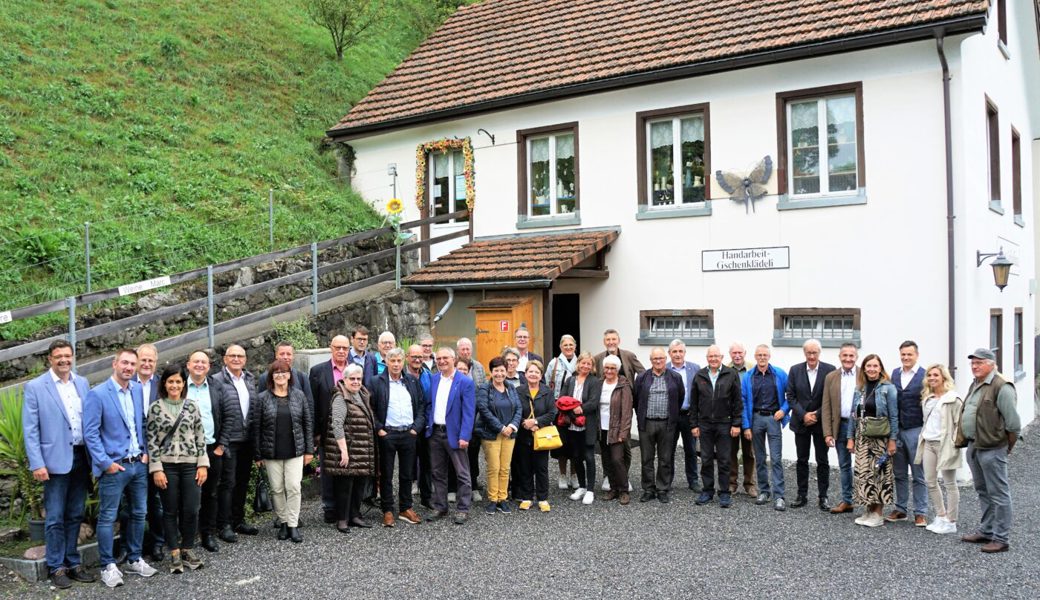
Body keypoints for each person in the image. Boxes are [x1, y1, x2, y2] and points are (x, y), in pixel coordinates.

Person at [22, 340, 96, 589]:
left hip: (80, 457)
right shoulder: (36, 387)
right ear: (49, 359)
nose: (64, 360)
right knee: (55, 517)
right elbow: (30, 429)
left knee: (75, 513)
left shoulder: (82, 383)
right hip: (53, 462)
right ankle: (56, 566)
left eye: (67, 355)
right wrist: (37, 463)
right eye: (58, 356)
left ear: (73, 357)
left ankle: (73, 562)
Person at [83, 349, 157, 588]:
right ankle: (108, 565)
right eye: (124, 362)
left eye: (132, 364)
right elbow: (90, 433)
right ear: (114, 363)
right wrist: (106, 463)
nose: (128, 367)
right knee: (107, 517)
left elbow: (141, 424)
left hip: (138, 465)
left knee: (139, 513)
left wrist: (146, 451)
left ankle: (135, 559)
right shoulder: (98, 394)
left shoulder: (136, 391)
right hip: (115, 467)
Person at [146, 364, 208, 573]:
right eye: (170, 381)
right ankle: (174, 551)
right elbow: (152, 441)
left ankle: (187, 549)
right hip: (167, 466)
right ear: (164, 383)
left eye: (178, 381)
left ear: (184, 384)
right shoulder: (155, 408)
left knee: (191, 509)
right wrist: (156, 469)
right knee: (170, 510)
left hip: (191, 465)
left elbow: (201, 437)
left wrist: (203, 465)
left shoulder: (192, 406)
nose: (174, 385)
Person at [960, 348, 1022, 553]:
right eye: (973, 363)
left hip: (992, 448)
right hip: (974, 445)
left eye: (980, 363)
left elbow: (1013, 424)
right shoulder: (976, 383)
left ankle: (1001, 538)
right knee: (983, 491)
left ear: (992, 364)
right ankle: (986, 531)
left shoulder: (1001, 386)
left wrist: (1003, 448)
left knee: (999, 494)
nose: (975, 366)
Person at [251, 361, 313, 543]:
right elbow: (256, 428)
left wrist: (309, 450)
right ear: (271, 376)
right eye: (276, 373)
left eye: (283, 372)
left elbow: (307, 424)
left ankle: (293, 525)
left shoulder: (299, 396)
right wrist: (257, 454)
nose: (280, 376)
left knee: (293, 487)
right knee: (277, 489)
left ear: (289, 375)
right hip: (271, 451)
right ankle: (284, 522)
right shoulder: (262, 398)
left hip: (295, 450)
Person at [369, 348, 426, 527]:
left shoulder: (411, 381)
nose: (395, 364)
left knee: (407, 474)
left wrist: (416, 428)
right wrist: (379, 429)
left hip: (409, 434)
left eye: (399, 361)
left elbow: (422, 405)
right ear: (386, 361)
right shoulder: (376, 382)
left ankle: (405, 507)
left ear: (403, 362)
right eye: (392, 360)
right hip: (388, 434)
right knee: (386, 474)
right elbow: (369, 408)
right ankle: (387, 509)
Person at [184, 351, 235, 554]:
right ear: (188, 365)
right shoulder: (179, 387)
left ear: (209, 366)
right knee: (187, 495)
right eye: (196, 361)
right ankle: (186, 536)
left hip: (212, 449)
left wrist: (221, 447)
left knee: (211, 494)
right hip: (186, 452)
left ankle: (208, 534)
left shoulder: (217, 387)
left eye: (203, 362)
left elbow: (229, 416)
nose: (199, 365)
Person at [210, 344, 258, 542]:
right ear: (225, 359)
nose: (237, 359)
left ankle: (238, 520)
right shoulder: (217, 380)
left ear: (245, 359)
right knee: (227, 483)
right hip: (228, 440)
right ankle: (224, 524)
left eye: (240, 356)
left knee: (242, 482)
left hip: (247, 439)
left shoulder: (250, 379)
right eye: (233, 356)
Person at [425, 347, 477, 524]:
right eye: (438, 358)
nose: (441, 361)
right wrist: (428, 425)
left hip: (455, 434)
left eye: (445, 358)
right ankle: (440, 506)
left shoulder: (465, 382)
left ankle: (463, 508)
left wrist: (465, 436)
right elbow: (429, 405)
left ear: (454, 359)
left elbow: (469, 413)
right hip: (436, 433)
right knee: (437, 472)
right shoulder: (434, 379)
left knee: (462, 473)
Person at [847, 354, 899, 528]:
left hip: (880, 438)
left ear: (880, 368)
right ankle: (869, 510)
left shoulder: (888, 388)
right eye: (868, 366)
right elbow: (853, 416)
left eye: (875, 366)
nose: (871, 369)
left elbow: (893, 416)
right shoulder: (859, 389)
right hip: (862, 437)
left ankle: (878, 513)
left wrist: (892, 440)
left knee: (879, 475)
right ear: (864, 368)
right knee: (865, 475)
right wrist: (850, 438)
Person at [785, 339, 836, 510]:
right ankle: (802, 495)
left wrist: (816, 414)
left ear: (819, 353)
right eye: (809, 352)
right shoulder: (795, 370)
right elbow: (790, 396)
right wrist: (803, 414)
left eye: (815, 352)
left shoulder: (830, 370)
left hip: (821, 423)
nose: (812, 356)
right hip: (801, 422)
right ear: (804, 353)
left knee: (822, 460)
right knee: (802, 460)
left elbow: (831, 397)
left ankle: (823, 497)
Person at [325, 364, 376, 532]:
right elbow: (337, 425)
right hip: (348, 449)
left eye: (358, 378)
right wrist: (344, 451)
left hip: (361, 449)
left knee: (359, 486)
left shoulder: (362, 394)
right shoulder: (340, 397)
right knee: (344, 487)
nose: (355, 382)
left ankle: (355, 515)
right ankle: (342, 520)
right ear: (344, 379)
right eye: (352, 378)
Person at [689, 345, 742, 508]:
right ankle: (707, 491)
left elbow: (737, 401)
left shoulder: (731, 374)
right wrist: (694, 424)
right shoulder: (700, 375)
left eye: (716, 356)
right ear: (707, 358)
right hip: (704, 424)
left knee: (725, 460)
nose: (713, 359)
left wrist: (736, 423)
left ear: (721, 357)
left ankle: (724, 493)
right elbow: (694, 403)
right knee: (705, 459)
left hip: (724, 423)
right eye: (710, 356)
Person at [914, 364, 962, 535]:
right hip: (928, 443)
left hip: (945, 445)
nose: (932, 378)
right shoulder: (927, 398)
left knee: (949, 483)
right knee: (931, 481)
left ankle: (951, 520)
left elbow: (959, 424)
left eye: (936, 375)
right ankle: (940, 515)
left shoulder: (953, 399)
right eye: (929, 375)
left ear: (943, 377)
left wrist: (953, 443)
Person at [741, 344, 789, 511]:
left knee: (776, 459)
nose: (762, 357)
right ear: (755, 356)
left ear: (769, 356)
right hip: (756, 419)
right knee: (760, 458)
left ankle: (779, 496)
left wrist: (783, 410)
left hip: (773, 419)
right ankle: (764, 491)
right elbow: (743, 402)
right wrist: (746, 426)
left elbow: (791, 395)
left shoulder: (780, 374)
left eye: (765, 355)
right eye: (759, 355)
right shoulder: (748, 376)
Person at [633, 348, 684, 504]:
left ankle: (662, 488)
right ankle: (648, 489)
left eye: (661, 358)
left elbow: (680, 397)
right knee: (646, 458)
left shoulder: (675, 377)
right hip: (647, 423)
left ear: (665, 358)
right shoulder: (642, 377)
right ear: (651, 360)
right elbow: (636, 399)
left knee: (665, 458)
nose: (658, 361)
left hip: (667, 423)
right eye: (655, 358)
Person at [310, 334, 352, 523]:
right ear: (331, 348)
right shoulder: (318, 371)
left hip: (352, 429)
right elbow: (313, 404)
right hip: (327, 430)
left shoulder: (355, 370)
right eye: (338, 348)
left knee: (349, 468)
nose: (342, 351)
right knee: (328, 470)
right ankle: (329, 507)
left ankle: (348, 508)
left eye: (345, 348)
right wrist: (315, 433)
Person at [887, 341, 928, 526]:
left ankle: (920, 512)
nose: (906, 358)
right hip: (898, 430)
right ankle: (901, 508)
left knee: (919, 474)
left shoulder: (925, 375)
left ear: (916, 355)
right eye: (903, 354)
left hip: (916, 429)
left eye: (909, 354)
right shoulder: (895, 373)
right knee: (899, 472)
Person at [475, 357, 522, 513]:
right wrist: (501, 427)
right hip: (491, 434)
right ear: (491, 372)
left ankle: (503, 498)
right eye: (496, 370)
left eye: (502, 370)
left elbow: (519, 409)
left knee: (505, 468)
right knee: (494, 467)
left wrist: (512, 426)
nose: (500, 374)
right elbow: (484, 410)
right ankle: (493, 499)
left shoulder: (511, 388)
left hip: (509, 434)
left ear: (506, 370)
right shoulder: (484, 388)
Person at [512, 361, 557, 511]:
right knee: (525, 467)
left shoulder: (547, 391)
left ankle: (543, 498)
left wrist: (537, 422)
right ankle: (527, 497)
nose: (533, 374)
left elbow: (552, 413)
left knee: (541, 468)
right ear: (525, 374)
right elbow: (514, 411)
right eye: (530, 372)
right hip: (523, 435)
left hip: (541, 435)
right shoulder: (518, 391)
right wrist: (525, 423)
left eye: (536, 372)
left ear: (541, 375)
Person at [133, 343, 164, 561]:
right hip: (132, 454)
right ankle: (130, 547)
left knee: (157, 504)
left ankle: (157, 544)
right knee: (131, 505)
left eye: (150, 360)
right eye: (142, 360)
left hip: (157, 453)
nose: (146, 364)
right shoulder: (125, 383)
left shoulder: (163, 384)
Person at [558, 352, 601, 505]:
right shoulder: (570, 380)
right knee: (576, 457)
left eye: (589, 364)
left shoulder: (595, 381)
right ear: (578, 364)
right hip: (571, 425)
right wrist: (572, 411)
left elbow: (594, 402)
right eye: (583, 363)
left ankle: (590, 490)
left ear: (592, 366)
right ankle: (581, 487)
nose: (585, 366)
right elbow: (562, 400)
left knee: (589, 457)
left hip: (587, 425)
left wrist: (580, 408)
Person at [822, 342, 858, 514]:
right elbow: (826, 406)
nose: (848, 359)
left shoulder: (864, 375)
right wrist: (828, 433)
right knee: (844, 465)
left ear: (856, 357)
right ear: (840, 357)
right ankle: (847, 501)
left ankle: (870, 503)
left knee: (864, 465)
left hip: (862, 427)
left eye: (851, 355)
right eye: (845, 355)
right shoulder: (831, 377)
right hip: (841, 425)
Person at [598, 355, 634, 505]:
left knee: (617, 459)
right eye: (607, 367)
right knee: (606, 460)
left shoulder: (623, 385)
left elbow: (627, 412)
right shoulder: (599, 384)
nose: (609, 370)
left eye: (613, 368)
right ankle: (613, 489)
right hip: (602, 428)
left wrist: (623, 432)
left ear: (618, 370)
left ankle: (624, 490)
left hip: (617, 429)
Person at [667, 339, 701, 493]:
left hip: (689, 416)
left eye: (680, 351)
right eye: (674, 351)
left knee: (691, 450)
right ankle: (666, 481)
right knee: (668, 450)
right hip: (671, 416)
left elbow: (701, 393)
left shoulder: (695, 369)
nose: (678, 354)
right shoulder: (665, 368)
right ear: (669, 354)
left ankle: (693, 481)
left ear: (685, 353)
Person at [544, 335, 577, 489]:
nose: (569, 347)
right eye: (566, 345)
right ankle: (562, 475)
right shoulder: (554, 363)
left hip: (576, 409)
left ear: (575, 346)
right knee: (562, 444)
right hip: (559, 409)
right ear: (560, 347)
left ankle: (574, 475)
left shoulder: (580, 362)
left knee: (575, 443)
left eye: (571, 345)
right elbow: (546, 384)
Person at [406, 344, 434, 509]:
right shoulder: (401, 376)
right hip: (407, 427)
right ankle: (405, 501)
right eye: (414, 357)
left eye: (420, 357)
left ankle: (426, 497)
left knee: (426, 463)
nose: (417, 360)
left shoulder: (428, 375)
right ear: (407, 357)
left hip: (425, 426)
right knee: (406, 465)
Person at [726, 342, 755, 497]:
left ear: (745, 353)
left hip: (749, 417)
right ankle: (732, 483)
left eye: (740, 352)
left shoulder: (752, 368)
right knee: (731, 451)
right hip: (731, 418)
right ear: (730, 354)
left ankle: (750, 484)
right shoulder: (725, 369)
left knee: (749, 452)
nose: (737, 355)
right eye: (734, 353)